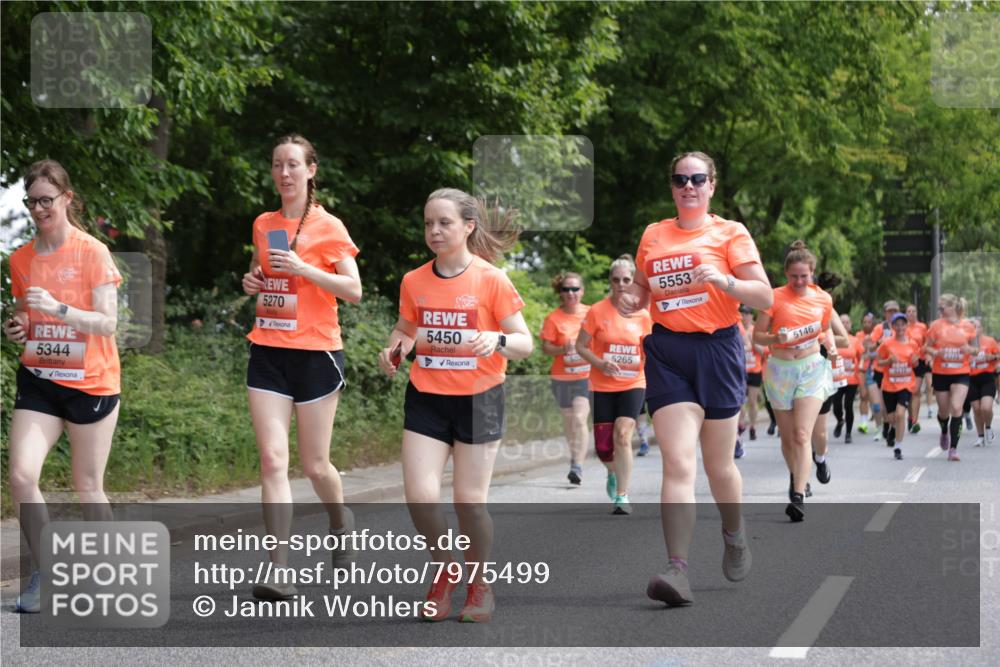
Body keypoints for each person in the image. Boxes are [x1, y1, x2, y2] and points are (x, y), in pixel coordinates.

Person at [622, 151, 772, 606]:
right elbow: (644, 288)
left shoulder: (730, 233)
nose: (689, 185)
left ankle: (735, 532)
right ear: (672, 187)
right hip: (668, 351)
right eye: (680, 179)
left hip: (719, 349)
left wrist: (725, 281)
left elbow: (764, 294)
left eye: (698, 178)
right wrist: (633, 298)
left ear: (711, 186)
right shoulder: (654, 234)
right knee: (678, 461)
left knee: (719, 466)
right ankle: (677, 568)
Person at [377, 187, 532, 623]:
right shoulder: (414, 280)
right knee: (421, 498)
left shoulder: (490, 279)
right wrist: (392, 351)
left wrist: (496, 340)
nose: (434, 230)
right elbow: (404, 332)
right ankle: (446, 568)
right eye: (428, 223)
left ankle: (479, 583)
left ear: (468, 226)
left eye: (444, 222)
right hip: (427, 398)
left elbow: (524, 342)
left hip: (479, 400)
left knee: (468, 502)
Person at [241, 134, 362, 599]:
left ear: (311, 171)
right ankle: (279, 569)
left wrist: (304, 269)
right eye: (277, 164)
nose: (284, 173)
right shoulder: (264, 222)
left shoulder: (330, 227)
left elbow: (352, 290)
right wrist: (254, 280)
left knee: (314, 465)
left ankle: (339, 517)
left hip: (316, 353)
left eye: (293, 164)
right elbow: (263, 271)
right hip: (268, 349)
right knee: (273, 460)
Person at [4, 160, 122, 613]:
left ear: (66, 200)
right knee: (21, 475)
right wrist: (17, 328)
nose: (38, 209)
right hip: (40, 378)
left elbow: (107, 323)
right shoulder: (21, 259)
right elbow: (22, 315)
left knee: (88, 484)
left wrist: (58, 308)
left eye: (46, 200)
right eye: (31, 201)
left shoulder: (92, 253)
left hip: (91, 382)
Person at [754, 241, 836, 522]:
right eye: (794, 276)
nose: (799, 281)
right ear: (786, 274)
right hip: (780, 370)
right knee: (788, 438)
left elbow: (824, 331)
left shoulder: (823, 299)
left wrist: (833, 349)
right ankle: (797, 475)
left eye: (804, 276)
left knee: (802, 434)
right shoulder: (773, 298)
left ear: (812, 273)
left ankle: (798, 496)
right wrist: (777, 338)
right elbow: (757, 337)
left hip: (811, 368)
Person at [574, 255, 653, 515]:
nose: (621, 284)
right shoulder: (597, 311)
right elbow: (580, 346)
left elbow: (651, 348)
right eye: (616, 279)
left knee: (622, 434)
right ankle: (612, 472)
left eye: (627, 280)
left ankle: (622, 494)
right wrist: (599, 363)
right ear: (610, 281)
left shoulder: (643, 315)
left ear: (633, 283)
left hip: (634, 382)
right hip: (602, 384)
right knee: (604, 448)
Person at [540, 272, 591, 484]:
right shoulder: (553, 318)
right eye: (566, 289)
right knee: (569, 420)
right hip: (561, 377)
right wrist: (563, 348)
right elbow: (546, 348)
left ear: (582, 291)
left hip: (586, 375)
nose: (571, 293)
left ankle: (578, 465)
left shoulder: (592, 313)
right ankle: (574, 458)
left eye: (575, 289)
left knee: (580, 417)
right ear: (560, 293)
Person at [924, 293, 977, 461]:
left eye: (942, 306)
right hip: (941, 373)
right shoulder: (936, 326)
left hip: (961, 372)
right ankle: (944, 430)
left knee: (956, 408)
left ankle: (953, 448)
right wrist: (936, 352)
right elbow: (926, 347)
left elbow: (976, 349)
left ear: (952, 307)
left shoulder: (968, 326)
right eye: (939, 307)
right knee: (943, 411)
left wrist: (970, 350)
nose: (940, 309)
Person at [876, 313, 921, 460]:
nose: (900, 327)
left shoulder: (913, 344)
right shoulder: (886, 344)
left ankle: (898, 447)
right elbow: (879, 363)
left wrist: (915, 361)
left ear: (906, 326)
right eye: (897, 324)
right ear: (893, 326)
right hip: (889, 386)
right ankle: (893, 428)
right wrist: (889, 360)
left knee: (901, 414)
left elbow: (916, 363)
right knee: (891, 417)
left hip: (906, 385)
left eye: (903, 324)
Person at [866, 301, 901, 442]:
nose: (892, 314)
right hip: (880, 369)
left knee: (896, 403)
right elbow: (870, 349)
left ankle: (891, 426)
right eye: (889, 311)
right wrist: (880, 343)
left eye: (894, 311)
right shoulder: (880, 328)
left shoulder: (902, 328)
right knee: (881, 403)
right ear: (885, 313)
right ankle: (882, 427)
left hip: (897, 371)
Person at [831, 313, 864, 444]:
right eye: (841, 322)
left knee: (848, 405)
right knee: (836, 405)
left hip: (851, 379)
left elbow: (862, 357)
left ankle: (848, 433)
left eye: (846, 322)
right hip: (837, 378)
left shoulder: (855, 341)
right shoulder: (833, 339)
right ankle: (840, 420)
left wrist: (861, 366)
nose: (844, 324)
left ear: (850, 325)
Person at [968, 318, 998, 446]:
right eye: (972, 327)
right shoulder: (966, 343)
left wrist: (992, 357)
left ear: (982, 329)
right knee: (976, 409)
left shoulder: (989, 341)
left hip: (987, 377)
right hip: (971, 379)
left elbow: (998, 355)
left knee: (986, 407)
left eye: (977, 327)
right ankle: (980, 437)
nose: (975, 330)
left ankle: (989, 427)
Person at [739, 306, 765, 448]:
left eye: (747, 314)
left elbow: (763, 352)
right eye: (743, 314)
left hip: (755, 369)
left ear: (752, 317)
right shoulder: (736, 329)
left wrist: (753, 343)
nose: (745, 317)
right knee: (740, 400)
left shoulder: (755, 330)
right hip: (741, 370)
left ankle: (753, 426)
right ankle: (741, 424)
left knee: (753, 402)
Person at [906, 303, 929, 432]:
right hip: (906, 362)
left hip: (919, 361)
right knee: (909, 393)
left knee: (916, 391)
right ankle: (910, 417)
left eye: (913, 311)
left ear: (916, 313)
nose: (911, 313)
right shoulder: (902, 327)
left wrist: (921, 352)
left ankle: (915, 421)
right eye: (909, 311)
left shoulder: (922, 327)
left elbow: (927, 343)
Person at [856, 312, 877, 435]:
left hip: (875, 368)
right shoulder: (859, 335)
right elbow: (858, 350)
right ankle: (863, 423)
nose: (866, 324)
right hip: (862, 368)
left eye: (869, 322)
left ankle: (878, 423)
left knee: (875, 398)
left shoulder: (876, 335)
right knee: (863, 395)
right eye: (864, 322)